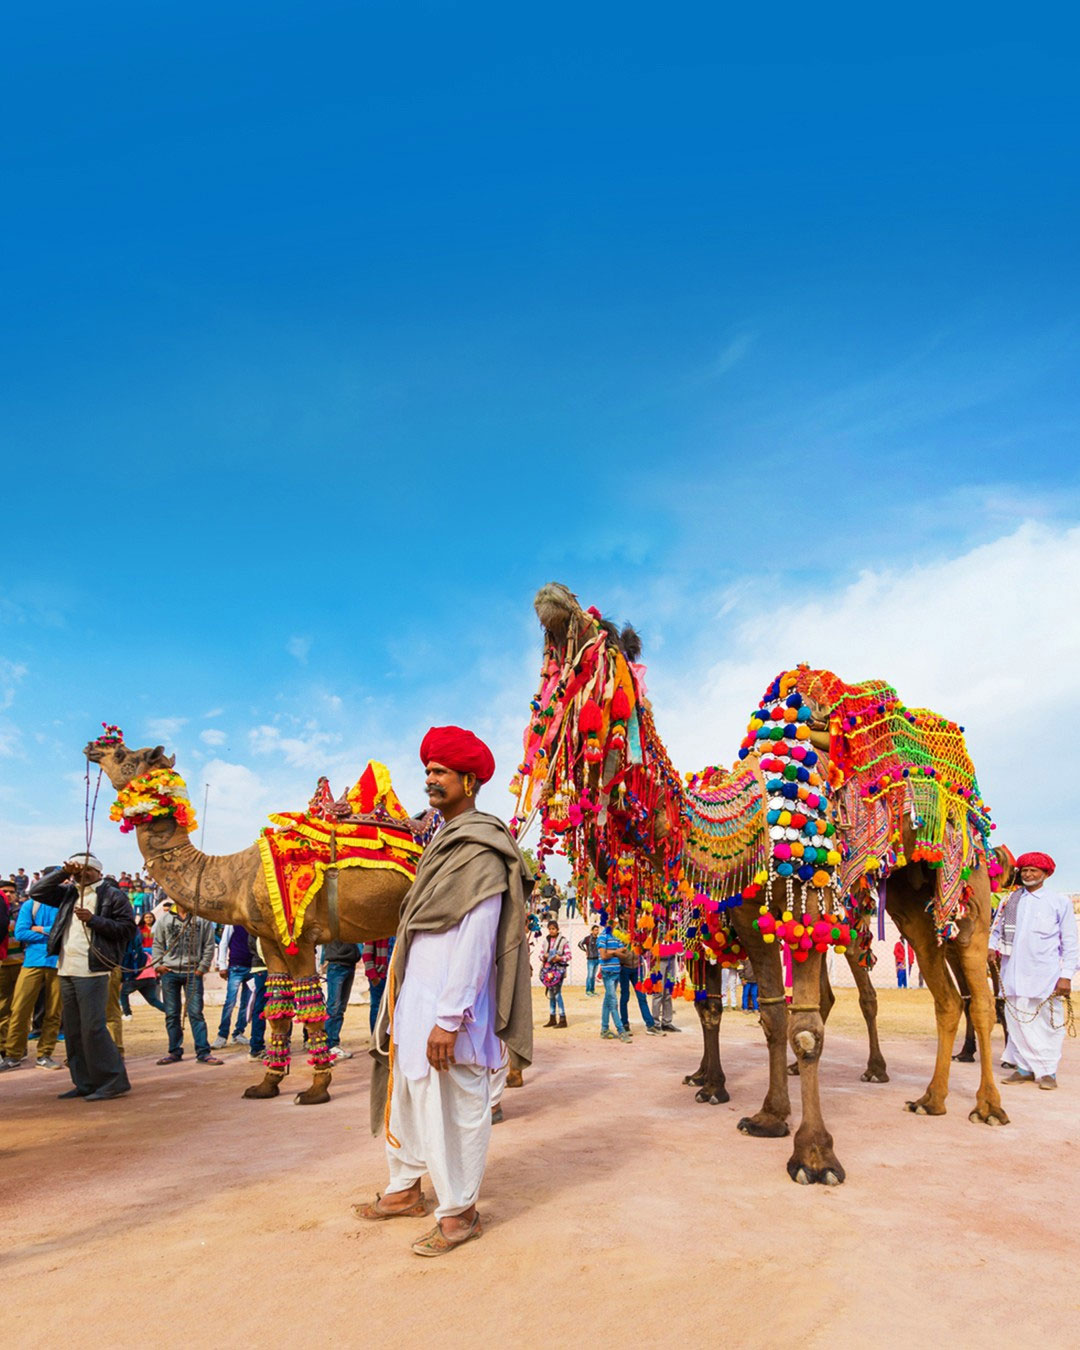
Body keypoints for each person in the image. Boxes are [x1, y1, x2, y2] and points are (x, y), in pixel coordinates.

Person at [360, 725, 533, 1257]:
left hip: (452, 1008)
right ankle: (405, 1188)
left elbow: (479, 938)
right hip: (415, 1000)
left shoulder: (480, 847)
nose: (430, 779)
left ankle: (460, 1212)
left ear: (470, 780)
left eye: (440, 772)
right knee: (410, 1097)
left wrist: (450, 1017)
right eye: (428, 771)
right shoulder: (442, 843)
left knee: (454, 1106)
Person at [34, 853, 135, 1100]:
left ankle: (113, 1081)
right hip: (66, 967)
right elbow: (37, 892)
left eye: (87, 869)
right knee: (74, 1029)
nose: (81, 873)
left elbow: (127, 929)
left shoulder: (113, 895)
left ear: (99, 872)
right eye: (77, 869)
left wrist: (95, 920)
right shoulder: (69, 892)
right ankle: (85, 1082)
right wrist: (62, 872)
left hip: (93, 969)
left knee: (93, 1028)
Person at [990, 851, 1078, 1090]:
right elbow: (995, 931)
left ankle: (1047, 1071)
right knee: (1016, 1021)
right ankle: (1023, 1069)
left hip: (1045, 977)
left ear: (1045, 874)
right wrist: (990, 948)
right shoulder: (1010, 901)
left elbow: (1070, 942)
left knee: (1047, 1024)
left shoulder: (1058, 902)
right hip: (1013, 975)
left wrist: (1066, 976)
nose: (1028, 874)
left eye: (1033, 871)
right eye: (1025, 870)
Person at [1, 883, 63, 1070]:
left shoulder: (65, 905)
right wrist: (51, 931)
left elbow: (65, 932)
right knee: (19, 1009)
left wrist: (38, 929)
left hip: (58, 963)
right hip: (32, 962)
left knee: (54, 1012)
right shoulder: (31, 905)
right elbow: (21, 933)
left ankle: (45, 1054)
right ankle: (13, 1054)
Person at [152, 903, 223, 1066]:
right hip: (170, 972)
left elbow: (209, 945)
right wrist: (158, 966)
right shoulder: (164, 920)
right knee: (171, 1013)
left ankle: (203, 1052)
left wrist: (202, 968)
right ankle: (174, 1051)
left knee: (196, 1013)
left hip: (193, 972)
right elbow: (157, 944)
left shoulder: (202, 920)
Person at [212, 924, 257, 1048]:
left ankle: (238, 1032)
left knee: (247, 1003)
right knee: (230, 1002)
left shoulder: (255, 924)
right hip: (236, 967)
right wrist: (222, 965)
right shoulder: (233, 923)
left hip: (252, 968)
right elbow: (224, 943)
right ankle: (222, 1035)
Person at [321, 938, 361, 1061]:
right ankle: (327, 1046)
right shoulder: (332, 923)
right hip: (337, 964)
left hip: (349, 964)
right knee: (333, 1007)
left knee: (340, 1008)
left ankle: (334, 1043)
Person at [618, 942, 662, 1035]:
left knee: (642, 997)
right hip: (624, 969)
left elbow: (644, 949)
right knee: (625, 997)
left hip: (637, 970)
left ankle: (650, 1025)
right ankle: (625, 1024)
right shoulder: (619, 935)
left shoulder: (639, 934)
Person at [596, 924, 630, 1042]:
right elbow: (603, 955)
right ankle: (621, 1030)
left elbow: (624, 954)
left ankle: (604, 1029)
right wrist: (616, 951)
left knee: (608, 1001)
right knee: (613, 1002)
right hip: (608, 973)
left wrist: (613, 952)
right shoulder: (602, 936)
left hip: (615, 972)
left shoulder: (616, 936)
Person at [540, 920, 571, 1027]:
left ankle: (562, 1018)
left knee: (557, 994)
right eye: (550, 929)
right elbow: (540, 954)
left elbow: (569, 956)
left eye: (553, 929)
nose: (551, 931)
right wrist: (544, 957)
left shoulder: (563, 941)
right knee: (552, 994)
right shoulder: (545, 941)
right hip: (548, 972)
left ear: (557, 929)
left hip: (558, 971)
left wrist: (560, 958)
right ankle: (552, 1017)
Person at [362, 938, 391, 1034]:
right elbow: (366, 954)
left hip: (395, 978)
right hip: (380, 977)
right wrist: (373, 976)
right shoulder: (377, 930)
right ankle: (375, 1040)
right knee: (376, 1009)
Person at [578, 924, 600, 995]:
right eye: (595, 930)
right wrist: (585, 950)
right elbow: (580, 944)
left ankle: (592, 990)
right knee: (590, 975)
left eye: (597, 930)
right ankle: (588, 991)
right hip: (590, 959)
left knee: (593, 976)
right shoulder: (588, 938)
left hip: (597, 959)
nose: (597, 931)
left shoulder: (598, 939)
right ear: (592, 931)